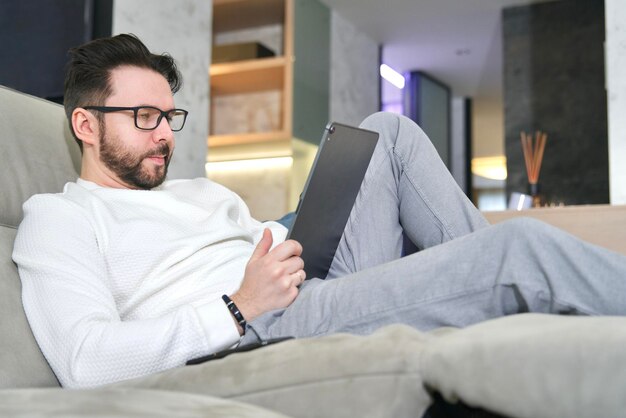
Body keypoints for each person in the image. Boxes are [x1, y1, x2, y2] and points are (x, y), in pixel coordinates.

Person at [13, 34, 626, 389]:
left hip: (303, 278)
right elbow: (86, 361)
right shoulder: (60, 218)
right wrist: (237, 306)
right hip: (254, 327)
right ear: (86, 124)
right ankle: (508, 302)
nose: (165, 135)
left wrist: (304, 222)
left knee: (390, 130)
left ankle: (499, 320)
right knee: (514, 250)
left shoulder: (197, 192)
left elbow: (270, 240)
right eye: (144, 118)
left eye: (169, 118)